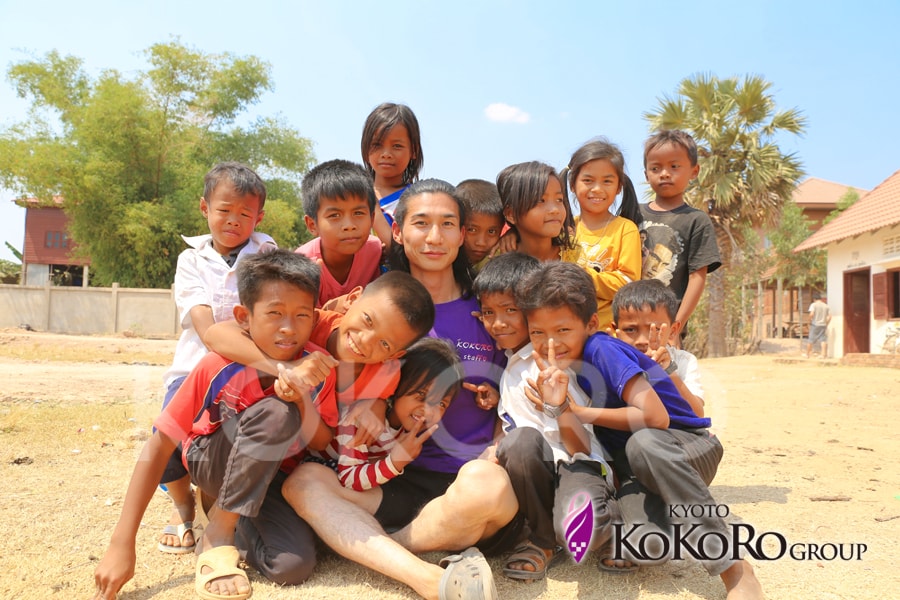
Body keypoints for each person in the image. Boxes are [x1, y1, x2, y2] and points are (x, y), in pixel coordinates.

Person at [283, 179, 519, 600]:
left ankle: (376, 544)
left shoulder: (489, 312)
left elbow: (519, 388)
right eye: (421, 223)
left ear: (463, 234)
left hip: (464, 482)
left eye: (448, 224)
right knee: (304, 482)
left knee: (490, 485)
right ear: (397, 231)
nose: (434, 237)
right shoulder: (373, 309)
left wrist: (498, 442)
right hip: (386, 477)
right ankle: (426, 578)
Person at [93, 250, 339, 600]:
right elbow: (159, 446)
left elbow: (321, 442)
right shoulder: (218, 364)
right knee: (276, 414)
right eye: (274, 314)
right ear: (243, 317)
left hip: (270, 478)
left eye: (301, 315)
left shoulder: (317, 367)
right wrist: (122, 542)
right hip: (212, 462)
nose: (288, 327)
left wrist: (300, 395)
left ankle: (222, 512)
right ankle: (218, 534)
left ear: (314, 318)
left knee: (291, 567)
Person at [516, 262, 764, 599]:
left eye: (562, 331)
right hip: (639, 466)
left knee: (643, 444)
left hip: (688, 447)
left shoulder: (601, 350)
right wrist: (560, 408)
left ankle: (733, 567)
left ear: (591, 324)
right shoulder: (569, 367)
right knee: (646, 544)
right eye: (538, 334)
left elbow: (657, 418)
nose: (550, 344)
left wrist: (577, 410)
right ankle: (669, 514)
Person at [472, 252, 620, 583]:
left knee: (581, 531)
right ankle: (542, 539)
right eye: (488, 313)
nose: (499, 322)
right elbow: (516, 426)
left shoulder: (558, 362)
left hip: (576, 466)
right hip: (537, 476)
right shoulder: (512, 362)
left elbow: (581, 445)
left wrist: (559, 407)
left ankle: (614, 521)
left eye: (512, 310)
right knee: (518, 444)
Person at [157, 162, 275, 556]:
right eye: (225, 210)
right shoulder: (190, 260)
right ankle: (182, 506)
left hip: (250, 369)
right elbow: (205, 325)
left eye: (246, 214)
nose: (234, 221)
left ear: (259, 217)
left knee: (235, 441)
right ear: (205, 207)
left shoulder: (267, 253)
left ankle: (227, 513)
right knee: (166, 443)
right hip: (194, 368)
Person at [313, 337, 464, 491]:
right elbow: (349, 478)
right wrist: (395, 462)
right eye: (421, 395)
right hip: (320, 469)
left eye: (441, 403)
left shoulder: (406, 429)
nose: (428, 410)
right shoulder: (363, 418)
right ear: (398, 383)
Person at [639, 130, 721, 336]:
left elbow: (697, 278)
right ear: (646, 174)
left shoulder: (696, 220)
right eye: (655, 168)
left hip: (668, 324)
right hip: (628, 322)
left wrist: (676, 326)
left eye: (674, 167)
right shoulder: (632, 213)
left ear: (694, 171)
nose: (665, 173)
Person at [560, 138, 643, 332]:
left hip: (607, 334)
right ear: (572, 184)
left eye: (607, 181)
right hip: (565, 331)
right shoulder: (563, 230)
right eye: (588, 180)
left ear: (619, 187)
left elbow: (628, 283)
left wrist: (582, 278)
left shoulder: (625, 229)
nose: (597, 189)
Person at [611, 279, 705, 416]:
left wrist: (668, 371)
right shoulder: (610, 361)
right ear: (615, 329)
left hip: (675, 434)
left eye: (654, 329)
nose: (642, 341)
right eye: (630, 330)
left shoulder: (683, 361)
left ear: (673, 330)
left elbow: (697, 414)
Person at [296, 159, 382, 309]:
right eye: (334, 215)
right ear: (312, 224)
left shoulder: (375, 251)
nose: (349, 226)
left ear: (372, 218)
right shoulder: (301, 265)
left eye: (358, 213)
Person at [362, 102, 424, 247]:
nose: (386, 154)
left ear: (413, 151)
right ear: (366, 149)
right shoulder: (353, 195)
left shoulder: (416, 201)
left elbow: (402, 252)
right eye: (377, 145)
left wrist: (373, 207)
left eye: (397, 146)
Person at [496, 161, 574, 262]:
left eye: (559, 200)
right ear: (511, 214)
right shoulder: (497, 260)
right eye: (541, 201)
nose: (555, 210)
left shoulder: (575, 253)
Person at [456, 178, 504, 272]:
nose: (481, 243)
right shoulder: (443, 259)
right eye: (472, 230)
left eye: (491, 232)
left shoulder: (499, 258)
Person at [805, 292, 831, 358]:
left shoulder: (813, 305)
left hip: (815, 324)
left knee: (810, 340)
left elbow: (811, 314)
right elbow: (829, 316)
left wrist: (808, 321)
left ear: (814, 299)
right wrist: (826, 323)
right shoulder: (826, 306)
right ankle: (823, 355)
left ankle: (807, 354)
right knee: (823, 340)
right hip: (823, 325)